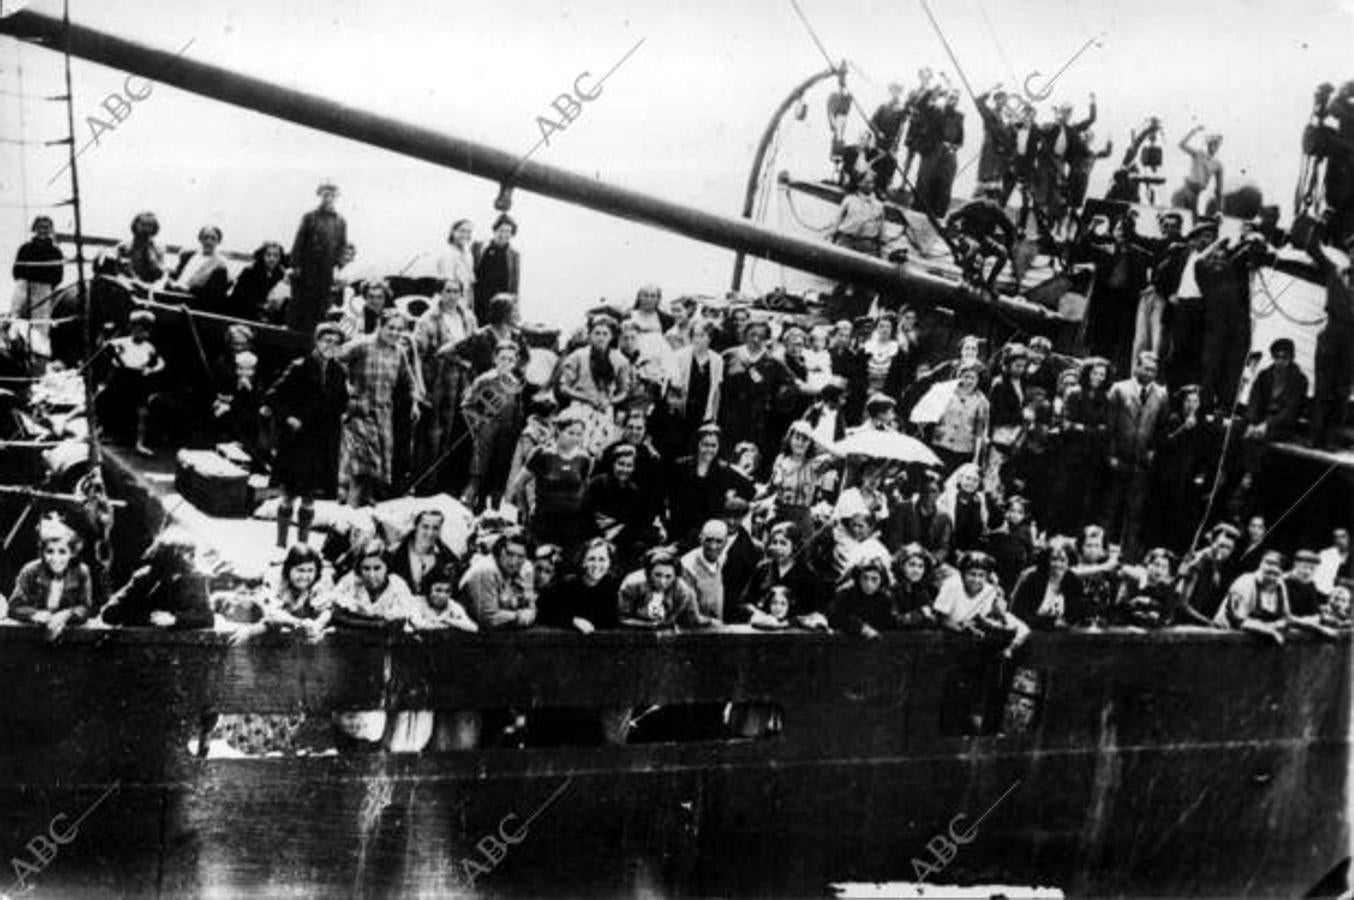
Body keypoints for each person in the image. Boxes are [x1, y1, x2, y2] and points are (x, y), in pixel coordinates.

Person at [262, 322, 348, 547]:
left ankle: (302, 544)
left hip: (322, 443)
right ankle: (281, 543)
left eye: (336, 343)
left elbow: (342, 403)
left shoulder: (339, 372)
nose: (331, 346)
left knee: (310, 497)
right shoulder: (299, 366)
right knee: (290, 494)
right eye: (326, 340)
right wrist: (289, 417)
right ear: (317, 341)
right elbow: (273, 396)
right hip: (298, 442)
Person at [339, 309, 421, 506]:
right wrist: (348, 389)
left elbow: (410, 381)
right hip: (359, 412)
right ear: (380, 326)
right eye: (390, 328)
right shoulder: (362, 344)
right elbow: (336, 360)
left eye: (399, 329)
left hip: (383, 413)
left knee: (376, 468)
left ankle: (363, 505)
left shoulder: (399, 352)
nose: (394, 333)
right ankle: (351, 510)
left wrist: (415, 403)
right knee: (361, 466)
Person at [411, 279, 478, 489]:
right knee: (434, 433)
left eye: (456, 291)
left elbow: (475, 345)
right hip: (437, 381)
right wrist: (420, 387)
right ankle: (426, 484)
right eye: (448, 291)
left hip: (463, 382)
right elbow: (418, 353)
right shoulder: (429, 318)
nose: (452, 296)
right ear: (440, 293)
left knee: (459, 431)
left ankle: (450, 485)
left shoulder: (467, 317)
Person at [1104, 351, 1168, 561]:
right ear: (1137, 367)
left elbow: (1161, 428)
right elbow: (1109, 426)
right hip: (1119, 458)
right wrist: (1111, 454)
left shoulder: (1161, 394)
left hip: (1141, 462)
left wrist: (1152, 451)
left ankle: (1127, 554)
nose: (1150, 374)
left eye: (1153, 371)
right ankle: (1101, 550)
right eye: (1146, 369)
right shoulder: (1119, 389)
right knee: (1111, 506)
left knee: (1135, 510)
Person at [509, 408, 594, 554]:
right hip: (544, 521)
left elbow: (585, 488)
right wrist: (524, 511)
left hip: (570, 523)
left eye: (579, 434)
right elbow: (519, 484)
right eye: (570, 433)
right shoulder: (542, 454)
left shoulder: (585, 458)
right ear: (558, 431)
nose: (575, 438)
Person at [1304, 224, 1354, 448]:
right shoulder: (1334, 271)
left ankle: (1331, 440)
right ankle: (1315, 437)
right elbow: (1312, 249)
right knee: (1322, 388)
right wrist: (1319, 224)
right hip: (1331, 332)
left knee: (1342, 391)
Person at [102, 530, 213, 629]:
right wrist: (149, 618)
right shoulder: (146, 577)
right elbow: (110, 613)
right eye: (183, 552)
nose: (189, 558)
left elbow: (206, 617)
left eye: (190, 553)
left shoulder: (196, 580)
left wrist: (175, 619)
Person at [461, 341, 526, 508]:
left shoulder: (514, 382)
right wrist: (478, 423)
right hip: (485, 432)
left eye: (510, 359)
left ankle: (493, 512)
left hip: (506, 433)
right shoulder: (485, 379)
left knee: (500, 472)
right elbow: (466, 405)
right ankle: (468, 506)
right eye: (502, 358)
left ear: (515, 362)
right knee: (478, 472)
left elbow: (517, 410)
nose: (506, 363)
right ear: (495, 359)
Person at [556, 314, 632, 455]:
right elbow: (563, 387)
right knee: (576, 449)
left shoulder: (620, 360)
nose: (601, 337)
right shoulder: (578, 356)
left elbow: (624, 391)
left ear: (611, 336)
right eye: (597, 333)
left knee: (599, 451)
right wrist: (586, 397)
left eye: (605, 334)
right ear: (590, 335)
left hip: (604, 410)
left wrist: (610, 401)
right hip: (579, 409)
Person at [668, 424, 755, 545]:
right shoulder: (681, 466)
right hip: (681, 527)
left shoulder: (724, 470)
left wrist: (731, 500)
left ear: (719, 447)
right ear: (698, 444)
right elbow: (671, 498)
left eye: (713, 445)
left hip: (710, 531)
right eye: (705, 444)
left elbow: (750, 490)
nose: (709, 449)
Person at [8, 519, 95, 639]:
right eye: (49, 551)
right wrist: (35, 614)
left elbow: (85, 607)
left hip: (66, 632)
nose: (55, 558)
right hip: (33, 632)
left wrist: (67, 614)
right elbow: (14, 606)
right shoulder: (30, 570)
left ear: (72, 553)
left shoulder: (81, 572)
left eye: (62, 552)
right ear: (42, 553)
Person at [931, 551, 1029, 656]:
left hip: (972, 637)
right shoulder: (952, 584)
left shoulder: (990, 590)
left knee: (1020, 630)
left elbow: (982, 618)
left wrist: (998, 612)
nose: (976, 580)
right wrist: (960, 628)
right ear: (963, 574)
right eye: (972, 574)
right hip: (948, 634)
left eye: (981, 575)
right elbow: (940, 618)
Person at [98, 309, 166, 456]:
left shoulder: (149, 347)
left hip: (138, 379)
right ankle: (102, 432)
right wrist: (105, 340)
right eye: (137, 328)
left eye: (143, 329)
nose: (139, 332)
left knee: (142, 412)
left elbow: (160, 362)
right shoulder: (122, 342)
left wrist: (152, 369)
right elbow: (105, 348)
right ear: (131, 327)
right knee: (107, 402)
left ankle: (139, 444)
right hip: (121, 376)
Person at [739, 522, 827, 627]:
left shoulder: (807, 574)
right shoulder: (763, 568)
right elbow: (745, 602)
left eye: (783, 543)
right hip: (764, 627)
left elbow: (817, 610)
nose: (777, 547)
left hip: (795, 632)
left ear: (794, 545)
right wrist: (759, 614)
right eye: (774, 542)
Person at [289, 181, 348, 336]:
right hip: (306, 272)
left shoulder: (340, 221)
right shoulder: (310, 217)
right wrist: (295, 266)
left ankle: (313, 339)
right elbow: (299, 241)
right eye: (325, 194)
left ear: (336, 197)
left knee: (320, 309)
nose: (328, 198)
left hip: (326, 273)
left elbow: (342, 246)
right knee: (300, 307)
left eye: (332, 195)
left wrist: (339, 269)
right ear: (320, 195)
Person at [330, 539, 420, 631]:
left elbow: (399, 621)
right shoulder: (351, 580)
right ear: (359, 569)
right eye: (366, 568)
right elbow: (335, 613)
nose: (371, 575)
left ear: (387, 567)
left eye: (377, 568)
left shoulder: (397, 585)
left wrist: (353, 619)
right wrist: (376, 623)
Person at [540, 537, 619, 633]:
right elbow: (544, 611)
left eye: (602, 559)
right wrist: (573, 620)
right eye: (591, 559)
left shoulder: (612, 587)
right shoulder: (567, 585)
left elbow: (611, 620)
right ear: (583, 562)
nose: (596, 564)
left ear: (609, 563)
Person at [946, 188, 1017, 293]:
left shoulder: (996, 211)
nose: (992, 202)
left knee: (1003, 253)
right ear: (985, 197)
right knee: (974, 247)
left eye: (995, 200)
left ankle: (990, 282)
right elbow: (952, 216)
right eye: (991, 199)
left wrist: (1008, 247)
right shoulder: (973, 206)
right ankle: (965, 277)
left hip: (983, 239)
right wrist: (954, 232)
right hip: (967, 236)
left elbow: (1010, 229)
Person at [460, 531, 536, 630]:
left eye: (521, 556)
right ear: (499, 551)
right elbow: (489, 619)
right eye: (509, 554)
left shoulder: (526, 567)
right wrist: (519, 616)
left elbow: (531, 607)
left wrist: (526, 614)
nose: (514, 562)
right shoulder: (485, 570)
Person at [1215, 550, 1293, 643]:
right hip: (1225, 635)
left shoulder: (1280, 585)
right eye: (1268, 563)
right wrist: (1269, 630)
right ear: (1260, 564)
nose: (1272, 569)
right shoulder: (1245, 582)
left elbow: (1286, 618)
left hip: (1258, 636)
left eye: (1277, 567)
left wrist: (1276, 625)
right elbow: (1237, 620)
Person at [1010, 538, 1088, 630]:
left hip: (1064, 635)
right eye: (1054, 559)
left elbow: (1077, 614)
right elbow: (1019, 614)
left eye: (1063, 560)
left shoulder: (1074, 582)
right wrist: (1051, 623)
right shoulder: (1033, 579)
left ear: (1069, 562)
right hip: (1032, 632)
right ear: (1047, 560)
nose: (1058, 564)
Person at [617, 548, 701, 629]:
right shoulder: (632, 585)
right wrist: (650, 625)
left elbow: (690, 621)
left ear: (675, 576)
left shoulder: (682, 590)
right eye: (657, 575)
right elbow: (623, 618)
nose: (662, 581)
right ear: (649, 573)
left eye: (668, 576)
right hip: (632, 631)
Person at [930, 361, 989, 474]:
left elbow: (980, 432)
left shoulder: (981, 401)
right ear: (958, 377)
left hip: (963, 450)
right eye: (966, 377)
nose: (969, 381)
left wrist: (976, 458)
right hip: (941, 445)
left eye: (973, 378)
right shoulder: (947, 394)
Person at [387, 509, 461, 598]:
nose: (430, 533)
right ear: (416, 527)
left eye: (435, 528)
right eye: (425, 527)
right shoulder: (393, 555)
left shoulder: (448, 560)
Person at [1177, 523, 1240, 625]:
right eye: (1221, 546)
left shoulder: (1221, 566)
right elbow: (1183, 605)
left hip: (1201, 623)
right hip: (1184, 624)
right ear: (1212, 542)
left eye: (1229, 548)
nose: (1224, 551)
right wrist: (1209, 623)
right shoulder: (1197, 562)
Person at [913, 88, 964, 215]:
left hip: (948, 154)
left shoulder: (959, 116)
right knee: (925, 180)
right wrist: (934, 91)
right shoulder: (934, 110)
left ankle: (938, 211)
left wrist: (953, 147)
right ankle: (920, 208)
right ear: (946, 97)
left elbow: (960, 140)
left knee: (945, 182)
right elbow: (919, 105)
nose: (953, 100)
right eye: (951, 97)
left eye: (956, 98)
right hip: (932, 150)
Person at [829, 557, 899, 638]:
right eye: (865, 578)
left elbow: (889, 622)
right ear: (858, 578)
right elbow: (837, 617)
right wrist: (861, 628)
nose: (868, 584)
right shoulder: (846, 595)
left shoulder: (885, 599)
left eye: (874, 579)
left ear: (881, 580)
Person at [1111, 547, 1182, 627]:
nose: (1159, 570)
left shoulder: (1167, 589)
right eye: (1156, 564)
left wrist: (1149, 603)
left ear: (1168, 571)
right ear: (1148, 565)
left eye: (1164, 567)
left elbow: (1167, 615)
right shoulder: (1134, 582)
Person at [10, 214, 63, 319]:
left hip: (44, 290)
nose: (43, 230)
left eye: (46, 227)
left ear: (51, 230)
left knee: (40, 323)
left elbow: (57, 277)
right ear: (35, 228)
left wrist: (39, 279)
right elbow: (17, 271)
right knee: (15, 317)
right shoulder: (25, 248)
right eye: (40, 227)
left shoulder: (55, 252)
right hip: (24, 287)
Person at [472, 214, 521, 325]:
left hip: (500, 302)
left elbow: (514, 283)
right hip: (480, 299)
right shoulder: (479, 247)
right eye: (501, 230)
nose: (504, 234)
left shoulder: (514, 255)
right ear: (495, 230)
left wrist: (514, 307)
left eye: (508, 231)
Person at [169, 225, 230, 312]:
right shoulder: (189, 255)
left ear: (218, 241)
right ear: (200, 239)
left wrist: (186, 289)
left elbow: (212, 293)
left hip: (194, 301)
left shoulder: (221, 263)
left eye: (213, 238)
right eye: (205, 237)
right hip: (174, 293)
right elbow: (175, 275)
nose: (208, 241)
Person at [680, 519, 729, 624]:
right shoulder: (687, 566)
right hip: (695, 629)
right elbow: (688, 612)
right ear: (701, 539)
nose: (713, 546)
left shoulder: (722, 557)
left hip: (717, 625)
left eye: (719, 541)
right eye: (709, 540)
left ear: (726, 542)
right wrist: (711, 622)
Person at [228, 241, 289, 324]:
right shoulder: (250, 271)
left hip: (267, 314)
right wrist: (262, 306)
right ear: (262, 256)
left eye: (276, 255)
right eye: (268, 255)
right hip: (245, 313)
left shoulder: (280, 273)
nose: (272, 259)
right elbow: (238, 297)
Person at [1171, 127, 1224, 216]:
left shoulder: (1218, 165)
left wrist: (1219, 210)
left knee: (1193, 218)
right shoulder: (1198, 154)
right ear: (1207, 144)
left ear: (1218, 146)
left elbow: (1218, 190)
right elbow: (1181, 144)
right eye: (1211, 143)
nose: (1213, 146)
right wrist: (1193, 131)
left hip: (1195, 194)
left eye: (1216, 144)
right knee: (1178, 214)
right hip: (1185, 191)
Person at [832, 172, 886, 256]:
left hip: (866, 244)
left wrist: (881, 246)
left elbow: (881, 228)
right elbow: (838, 220)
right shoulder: (849, 200)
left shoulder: (878, 206)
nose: (870, 185)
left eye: (872, 183)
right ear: (859, 183)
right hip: (847, 240)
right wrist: (833, 235)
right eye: (867, 182)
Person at [114, 211, 166, 285]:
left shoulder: (158, 249)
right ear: (135, 225)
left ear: (154, 228)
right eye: (143, 225)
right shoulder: (123, 246)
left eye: (150, 226)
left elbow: (159, 274)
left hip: (147, 286)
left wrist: (151, 257)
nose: (146, 229)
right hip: (124, 284)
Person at [437, 219, 476, 307]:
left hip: (465, 301)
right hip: (450, 302)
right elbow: (447, 285)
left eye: (469, 232)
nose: (465, 235)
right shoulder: (447, 254)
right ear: (453, 232)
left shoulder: (468, 254)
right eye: (462, 231)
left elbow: (470, 284)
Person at [1285, 549, 1329, 618]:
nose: (1307, 572)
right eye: (1304, 567)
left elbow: (1314, 614)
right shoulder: (1283, 582)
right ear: (1295, 564)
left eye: (1312, 568)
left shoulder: (1310, 585)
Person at [1315, 527, 1352, 594]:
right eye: (1336, 537)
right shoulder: (1325, 555)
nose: (1340, 540)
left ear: (1349, 537)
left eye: (1343, 536)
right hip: (1327, 594)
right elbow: (1317, 577)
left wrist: (1346, 582)